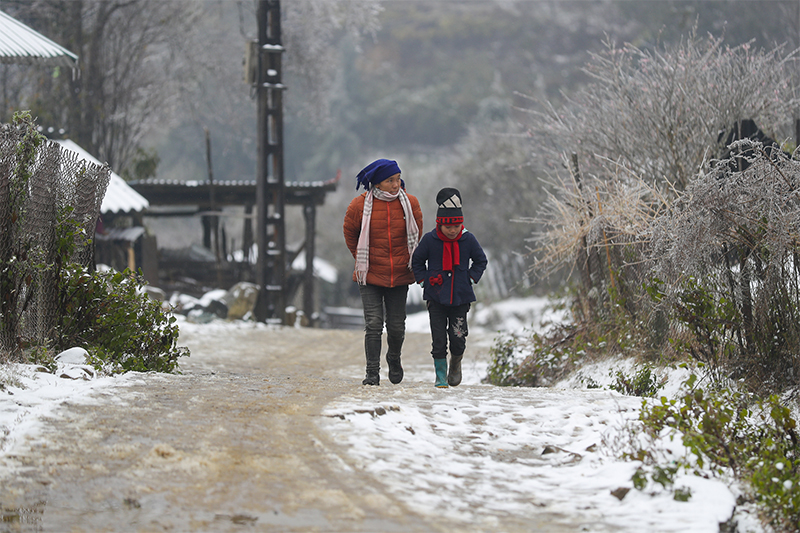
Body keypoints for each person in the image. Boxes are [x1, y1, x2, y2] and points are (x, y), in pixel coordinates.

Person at [343, 159, 423, 386]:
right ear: (377, 183)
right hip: (369, 275)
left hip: (399, 274)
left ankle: (394, 358)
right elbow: (350, 233)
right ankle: (372, 373)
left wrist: (405, 259)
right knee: (374, 324)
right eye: (390, 180)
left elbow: (416, 233)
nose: (396, 184)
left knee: (396, 326)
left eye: (397, 179)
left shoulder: (411, 204)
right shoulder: (359, 206)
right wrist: (362, 259)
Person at [412, 187, 487, 388]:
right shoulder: (430, 240)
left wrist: (471, 278)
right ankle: (440, 376)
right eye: (448, 226)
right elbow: (417, 262)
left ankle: (456, 363)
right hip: (435, 297)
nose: (452, 230)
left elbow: (481, 261)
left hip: (461, 299)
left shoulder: (468, 240)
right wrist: (423, 280)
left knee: (458, 337)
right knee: (438, 338)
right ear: (439, 223)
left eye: (456, 226)